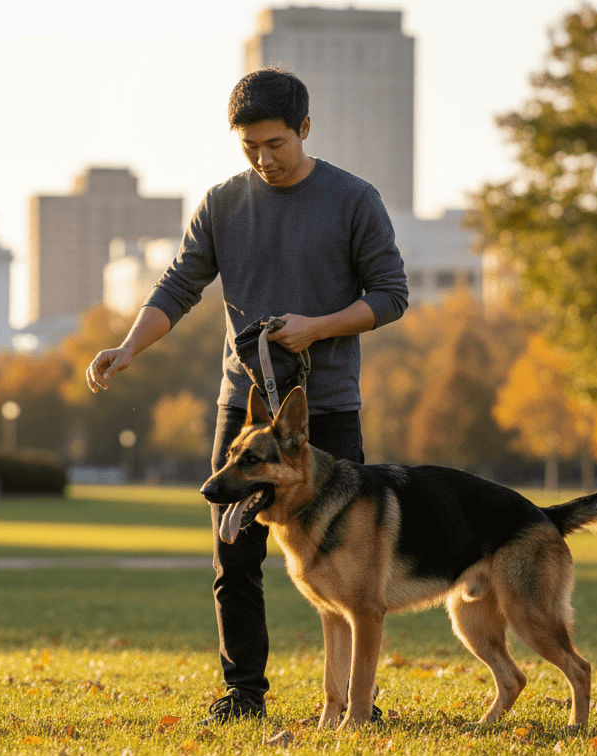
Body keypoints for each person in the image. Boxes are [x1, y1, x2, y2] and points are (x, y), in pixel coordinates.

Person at [84, 67, 409, 723]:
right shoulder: (223, 204)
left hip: (329, 412)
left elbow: (391, 296)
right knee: (234, 556)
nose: (263, 158)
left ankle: (354, 704)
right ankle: (244, 694)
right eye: (249, 147)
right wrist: (127, 347)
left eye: (274, 144)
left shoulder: (353, 199)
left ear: (304, 130)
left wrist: (317, 327)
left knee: (349, 569)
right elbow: (178, 287)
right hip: (245, 408)